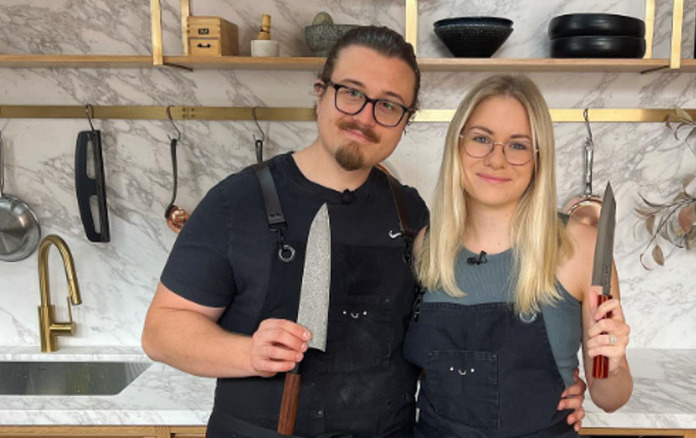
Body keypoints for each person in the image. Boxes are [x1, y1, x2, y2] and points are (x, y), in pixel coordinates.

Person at [142, 26, 586, 438]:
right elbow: (161, 332)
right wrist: (247, 354)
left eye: (388, 104)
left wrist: (546, 385)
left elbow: (442, 338)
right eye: (351, 93)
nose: (364, 116)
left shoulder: (410, 212)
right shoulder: (236, 201)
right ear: (320, 93)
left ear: (405, 121)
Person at [405, 74, 633, 437]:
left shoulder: (581, 248)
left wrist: (615, 364)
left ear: (538, 158)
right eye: (481, 139)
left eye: (518, 145)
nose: (497, 160)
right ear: (457, 145)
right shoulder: (426, 246)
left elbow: (610, 398)